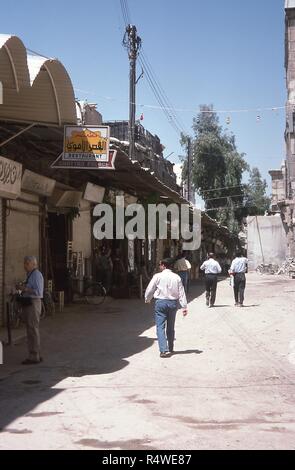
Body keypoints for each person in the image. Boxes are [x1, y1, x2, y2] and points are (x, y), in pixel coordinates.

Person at [145, 258, 188, 358]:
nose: (159, 266)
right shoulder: (176, 277)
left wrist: (147, 298)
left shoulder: (157, 276)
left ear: (164, 266)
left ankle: (163, 350)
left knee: (160, 326)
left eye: (160, 265)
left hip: (160, 303)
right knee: (171, 326)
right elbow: (181, 292)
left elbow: (150, 288)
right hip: (173, 304)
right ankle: (171, 347)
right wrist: (184, 306)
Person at [17, 256, 44, 365]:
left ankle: (34, 356)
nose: (25, 265)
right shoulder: (30, 274)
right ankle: (35, 353)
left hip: (33, 303)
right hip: (30, 303)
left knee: (32, 329)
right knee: (31, 329)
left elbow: (38, 291)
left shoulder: (36, 275)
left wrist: (25, 289)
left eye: (27, 263)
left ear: (33, 264)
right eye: (25, 263)